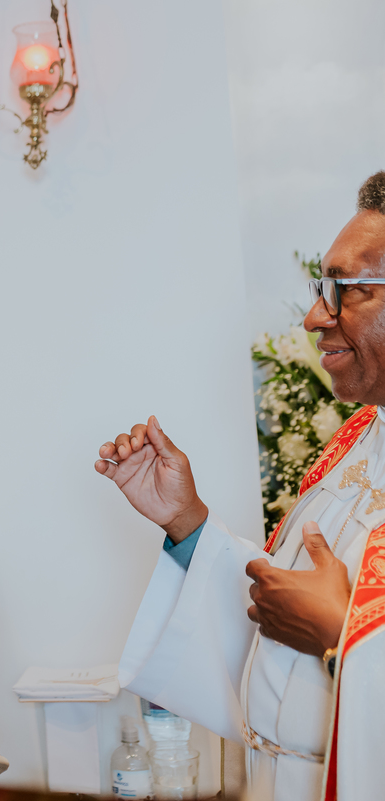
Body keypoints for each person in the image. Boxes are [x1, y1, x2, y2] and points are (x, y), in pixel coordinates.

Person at [95, 173, 385, 801]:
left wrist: (341, 638)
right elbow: (281, 609)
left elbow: (329, 624)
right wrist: (187, 523)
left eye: (345, 290)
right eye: (321, 289)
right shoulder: (358, 440)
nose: (315, 317)